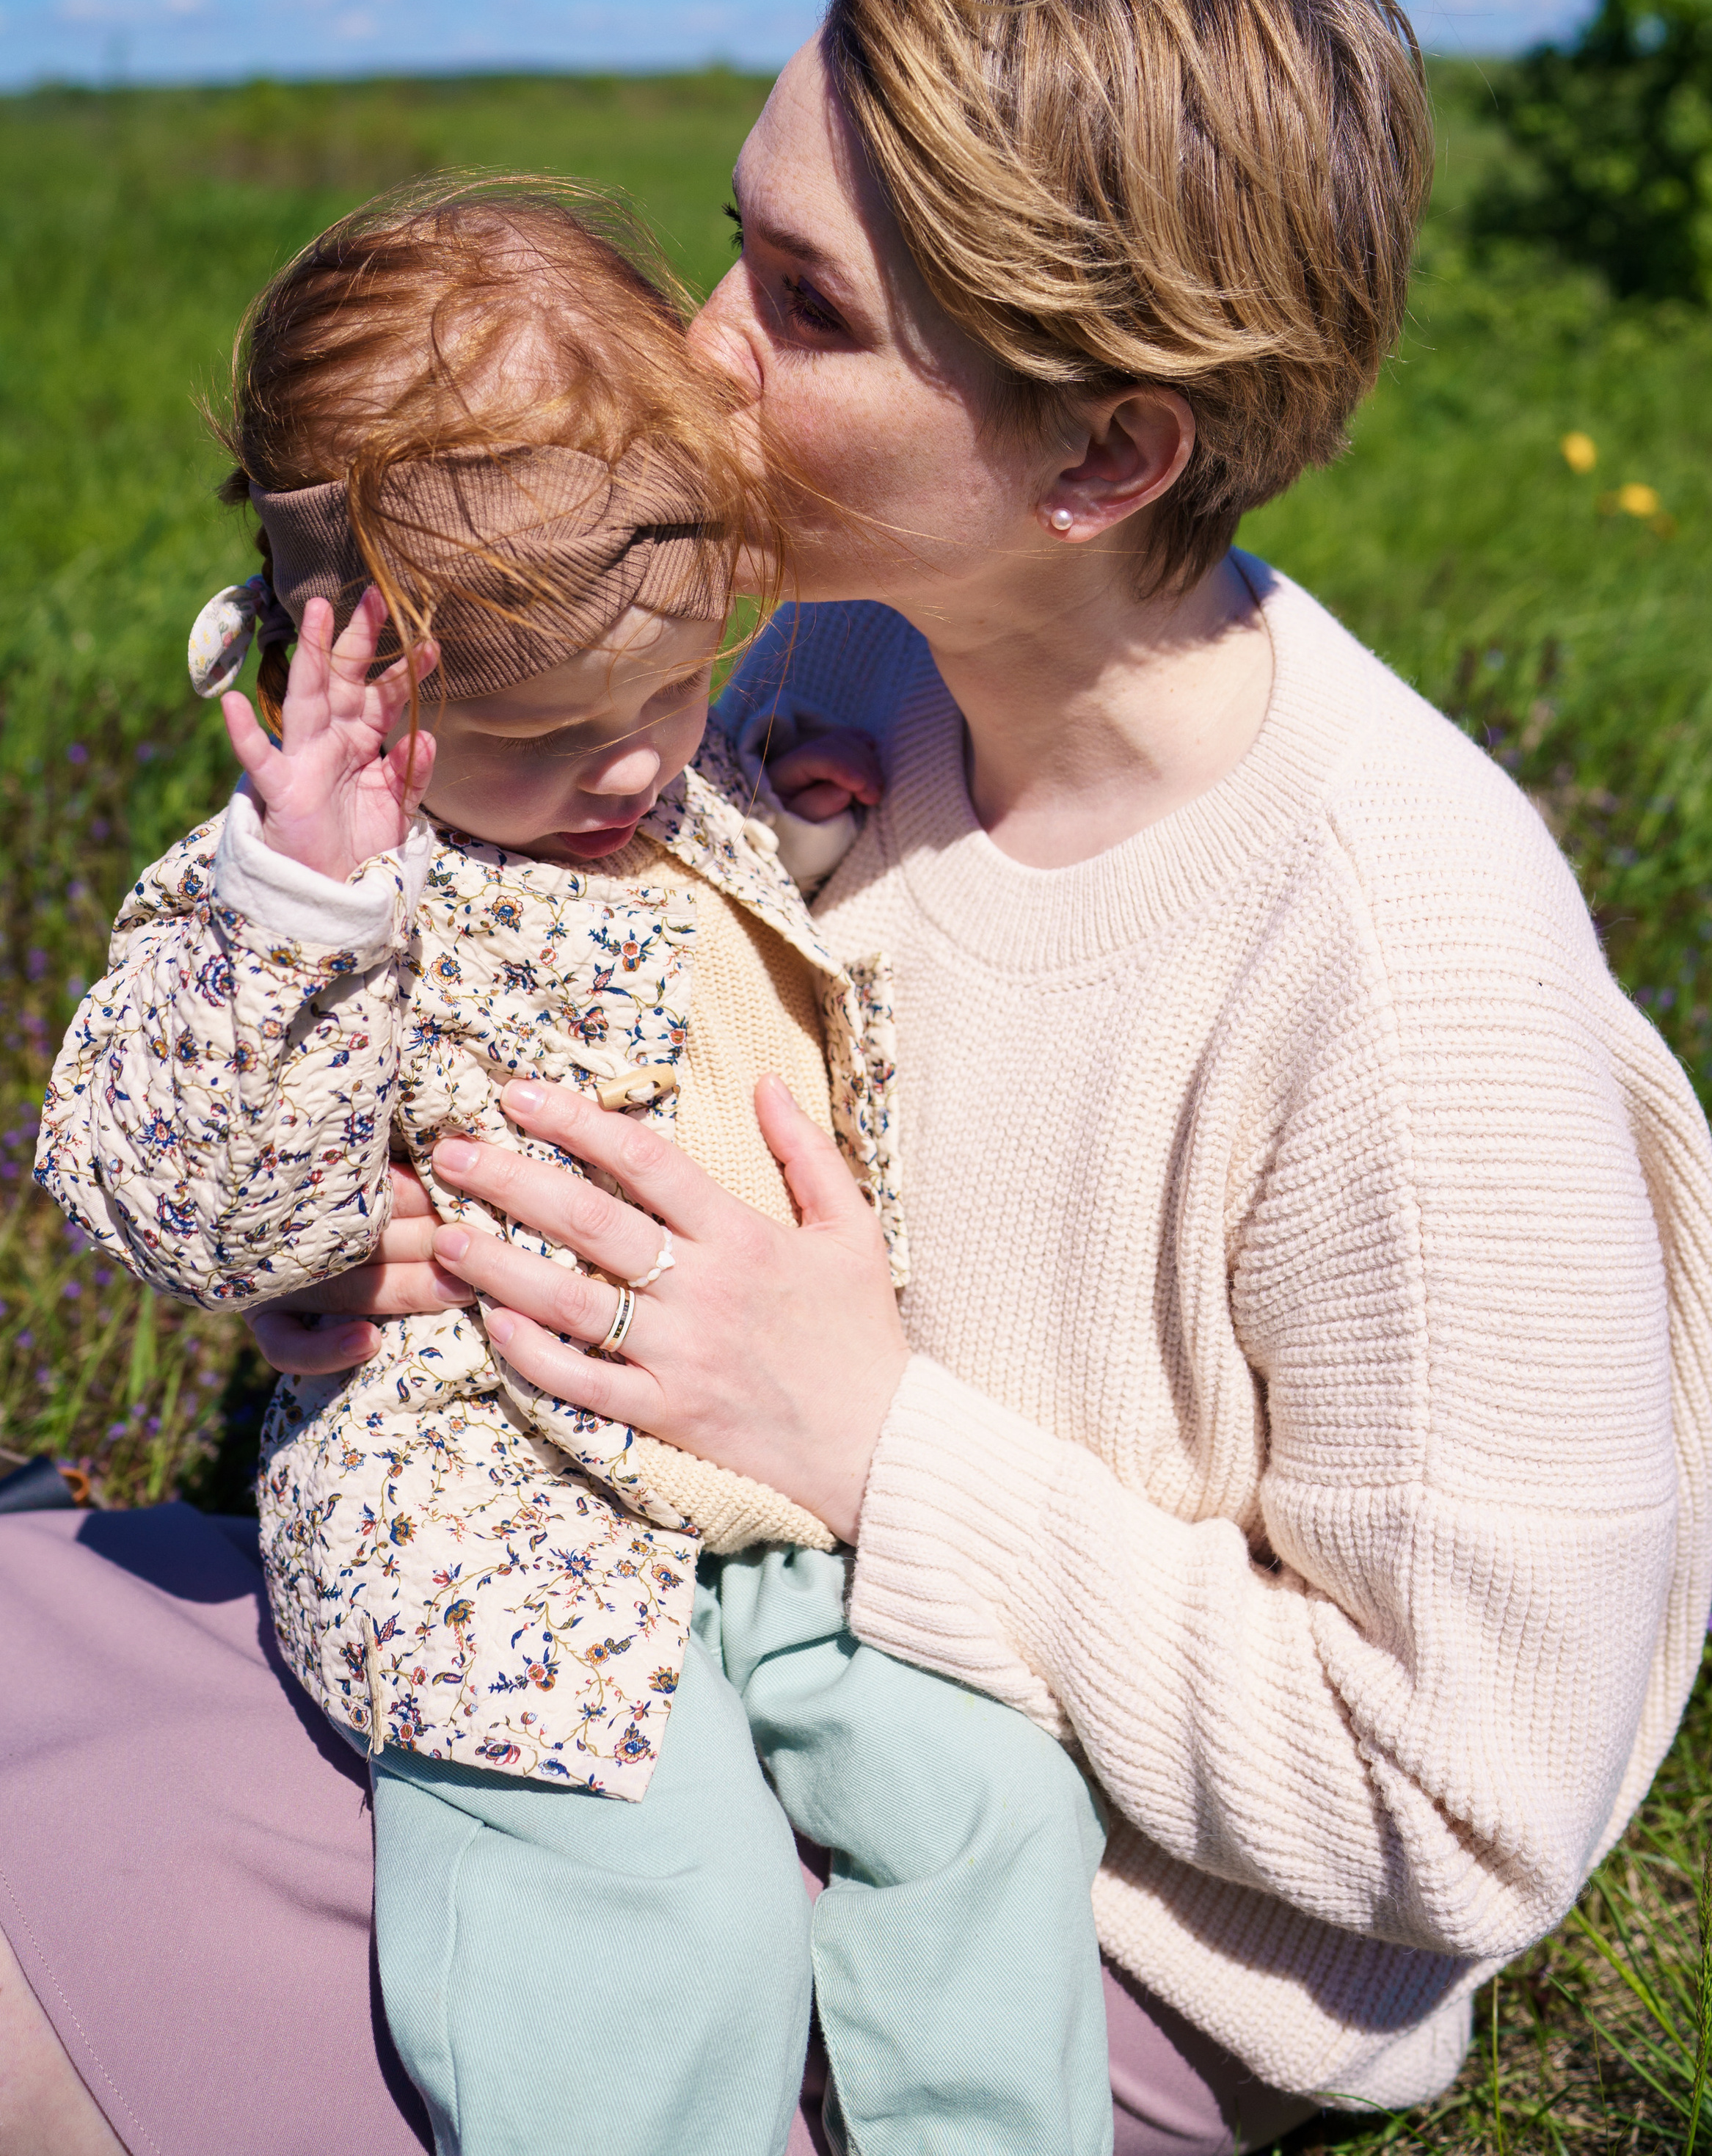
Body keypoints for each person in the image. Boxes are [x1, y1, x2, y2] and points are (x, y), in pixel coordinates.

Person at [0, 0, 1712, 2156]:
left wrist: (875, 1435)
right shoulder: (824, 662)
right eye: (735, 227)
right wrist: (373, 1247)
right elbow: (563, 1010)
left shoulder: (1411, 968)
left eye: (801, 305)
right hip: (633, 1623)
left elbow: (1473, 1814)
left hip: (1041, 1935)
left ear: (1101, 453)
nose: (693, 338)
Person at [31, 180, 1111, 2156]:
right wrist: (306, 918)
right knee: (652, 1909)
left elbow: (700, 930)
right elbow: (176, 1202)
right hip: (496, 1534)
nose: (629, 768)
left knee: (995, 1806)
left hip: (776, 1499)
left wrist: (780, 812)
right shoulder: (308, 896)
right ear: (348, 687)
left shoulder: (664, 783)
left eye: (674, 692)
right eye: (546, 737)